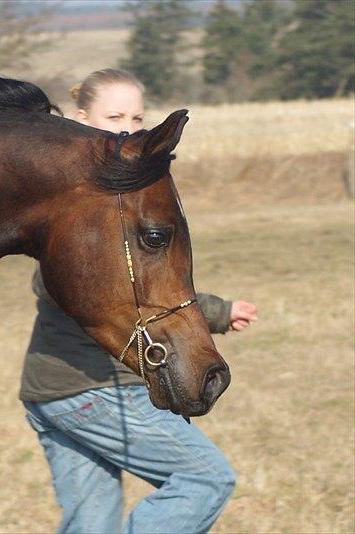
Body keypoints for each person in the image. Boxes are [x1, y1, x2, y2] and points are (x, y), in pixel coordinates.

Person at [20, 68, 258, 534]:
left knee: (91, 525)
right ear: (80, 118)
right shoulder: (90, 203)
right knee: (204, 480)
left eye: (136, 116)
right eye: (114, 117)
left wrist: (219, 312)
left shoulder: (105, 196)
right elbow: (112, 290)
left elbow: (149, 282)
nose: (128, 128)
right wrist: (215, 312)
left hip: (51, 394)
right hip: (95, 392)